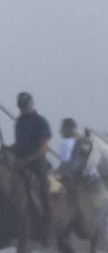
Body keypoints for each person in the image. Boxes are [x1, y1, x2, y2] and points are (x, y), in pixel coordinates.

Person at [10, 93, 54, 232]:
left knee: (42, 191)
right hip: (19, 163)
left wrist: (26, 161)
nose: (23, 108)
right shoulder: (19, 122)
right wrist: (8, 149)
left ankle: (47, 226)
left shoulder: (40, 121)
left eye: (25, 104)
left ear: (32, 104)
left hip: (37, 164)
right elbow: (19, 144)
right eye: (21, 105)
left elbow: (44, 148)